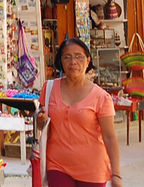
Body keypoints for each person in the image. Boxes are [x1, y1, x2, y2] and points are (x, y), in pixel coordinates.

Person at [34, 37, 123, 187]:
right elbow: (42, 123)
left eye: (78, 57)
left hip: (92, 169)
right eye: (67, 57)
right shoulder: (49, 89)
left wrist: (116, 174)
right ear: (61, 61)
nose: (73, 62)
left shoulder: (101, 97)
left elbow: (109, 137)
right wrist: (40, 120)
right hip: (57, 165)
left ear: (88, 60)